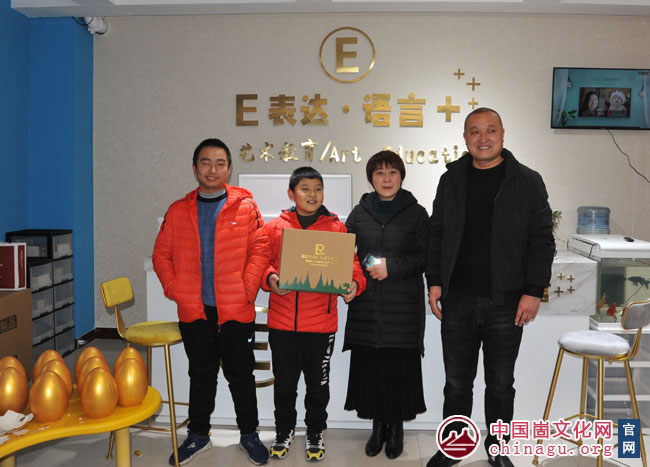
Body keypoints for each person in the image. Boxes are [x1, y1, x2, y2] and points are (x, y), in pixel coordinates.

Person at [426, 108, 555, 467]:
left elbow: (542, 239)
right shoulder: (451, 179)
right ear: (465, 138)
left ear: (502, 134)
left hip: (507, 302)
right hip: (458, 299)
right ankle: (453, 447)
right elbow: (437, 232)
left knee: (500, 384)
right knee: (456, 383)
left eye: (490, 130)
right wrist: (434, 281)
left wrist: (534, 290)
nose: (483, 138)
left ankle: (497, 448)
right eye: (474, 131)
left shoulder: (527, 181)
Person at [152, 138, 271, 466]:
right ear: (195, 168)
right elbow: (161, 254)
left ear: (229, 169)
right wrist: (174, 288)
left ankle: (249, 435)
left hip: (235, 309)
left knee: (241, 375)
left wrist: (247, 289)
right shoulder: (178, 210)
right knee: (200, 375)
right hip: (195, 310)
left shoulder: (245, 207)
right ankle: (198, 435)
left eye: (220, 163)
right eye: (206, 163)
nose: (213, 169)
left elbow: (260, 250)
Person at [261, 166, 366, 463]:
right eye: (305, 189)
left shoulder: (337, 228)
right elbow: (261, 262)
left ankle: (315, 432)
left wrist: (354, 284)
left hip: (321, 325)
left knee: (318, 386)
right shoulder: (275, 228)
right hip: (282, 323)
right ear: (291, 193)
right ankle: (283, 431)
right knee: (284, 384)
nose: (312, 194)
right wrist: (270, 279)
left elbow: (354, 266)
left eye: (318, 189)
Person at [343, 151, 429, 460]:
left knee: (397, 369)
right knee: (372, 369)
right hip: (366, 306)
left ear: (401, 176)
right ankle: (378, 428)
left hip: (402, 306)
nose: (387, 178)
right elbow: (346, 253)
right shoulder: (359, 213)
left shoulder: (417, 213)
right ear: (371, 179)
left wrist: (391, 267)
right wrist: (351, 278)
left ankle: (396, 429)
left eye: (392, 172)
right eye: (379, 173)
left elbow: (426, 257)